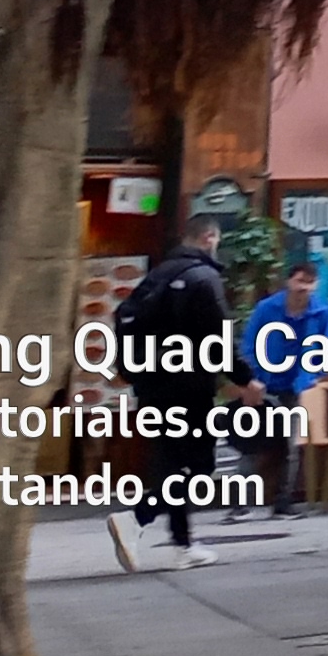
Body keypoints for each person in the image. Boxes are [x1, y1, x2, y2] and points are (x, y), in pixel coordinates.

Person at [105, 214, 239, 571]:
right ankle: (136, 519)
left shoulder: (160, 274)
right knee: (199, 465)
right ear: (210, 237)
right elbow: (220, 337)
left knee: (172, 466)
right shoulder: (203, 278)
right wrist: (245, 377)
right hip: (188, 386)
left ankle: (183, 545)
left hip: (152, 386)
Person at [234, 265, 328, 514]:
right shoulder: (267, 308)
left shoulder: (321, 311)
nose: (304, 287)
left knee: (288, 446)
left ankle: (282, 503)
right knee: (251, 444)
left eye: (310, 282)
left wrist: (314, 375)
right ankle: (239, 505)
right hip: (262, 385)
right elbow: (249, 343)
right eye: (300, 281)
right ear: (289, 281)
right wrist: (250, 379)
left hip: (294, 385)